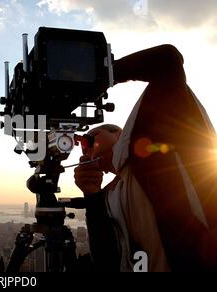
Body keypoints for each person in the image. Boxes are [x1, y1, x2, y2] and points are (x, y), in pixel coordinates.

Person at [74, 45, 217, 272]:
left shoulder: (144, 144)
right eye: (81, 146)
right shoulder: (112, 194)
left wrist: (98, 80)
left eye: (90, 139)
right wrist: (92, 196)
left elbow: (166, 60)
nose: (84, 150)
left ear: (120, 134)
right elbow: (108, 262)